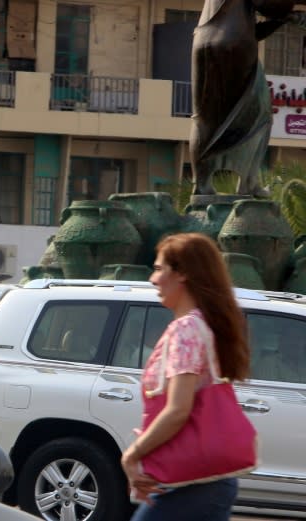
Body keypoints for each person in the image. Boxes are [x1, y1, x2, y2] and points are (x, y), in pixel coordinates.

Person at [120, 233, 250, 521]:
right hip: (202, 480)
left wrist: (131, 455)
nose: (153, 280)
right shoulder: (204, 324)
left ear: (183, 274)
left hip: (192, 485)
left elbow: (178, 409)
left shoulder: (187, 330)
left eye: (158, 269)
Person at [190, 0, 298, 196]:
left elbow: (251, 31)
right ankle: (248, 183)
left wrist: (282, 21)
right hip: (236, 45)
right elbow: (268, 5)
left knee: (204, 118)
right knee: (261, 116)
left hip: (204, 39)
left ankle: (201, 185)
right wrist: (286, 12)